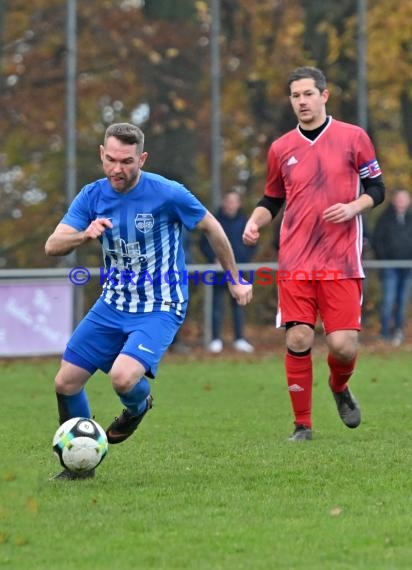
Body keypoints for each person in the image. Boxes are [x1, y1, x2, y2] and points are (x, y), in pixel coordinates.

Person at [45, 122, 253, 479]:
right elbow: (52, 246)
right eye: (110, 159)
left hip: (160, 305)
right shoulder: (92, 196)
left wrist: (234, 279)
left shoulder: (168, 193)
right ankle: (80, 467)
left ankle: (138, 405)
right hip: (112, 304)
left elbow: (213, 228)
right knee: (65, 383)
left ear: (141, 158)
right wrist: (84, 234)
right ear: (101, 154)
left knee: (123, 379)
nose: (117, 169)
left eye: (126, 161)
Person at [242, 66, 385, 441]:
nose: (302, 101)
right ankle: (302, 425)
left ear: (324, 96)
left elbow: (378, 189)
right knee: (299, 339)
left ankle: (339, 387)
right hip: (296, 260)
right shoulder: (281, 148)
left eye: (308, 94)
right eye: (295, 96)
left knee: (342, 345)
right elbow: (271, 198)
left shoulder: (354, 138)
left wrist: (354, 207)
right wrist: (255, 222)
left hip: (341, 260)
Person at [199, 190, 256, 353]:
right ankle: (215, 339)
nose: (231, 205)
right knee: (216, 305)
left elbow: (253, 243)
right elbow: (203, 243)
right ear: (224, 203)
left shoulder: (245, 221)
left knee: (239, 305)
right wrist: (214, 258)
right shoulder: (213, 221)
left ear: (238, 204)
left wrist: (244, 260)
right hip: (218, 273)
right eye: (228, 201)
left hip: (240, 271)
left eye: (234, 201)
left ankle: (239, 339)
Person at [372, 189, 412, 346]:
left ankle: (398, 332)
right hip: (389, 267)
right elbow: (378, 241)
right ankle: (384, 334)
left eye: (405, 199)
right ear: (394, 200)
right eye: (399, 198)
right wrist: (384, 259)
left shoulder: (410, 219)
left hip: (407, 267)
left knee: (402, 301)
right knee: (388, 300)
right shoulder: (384, 219)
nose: (402, 202)